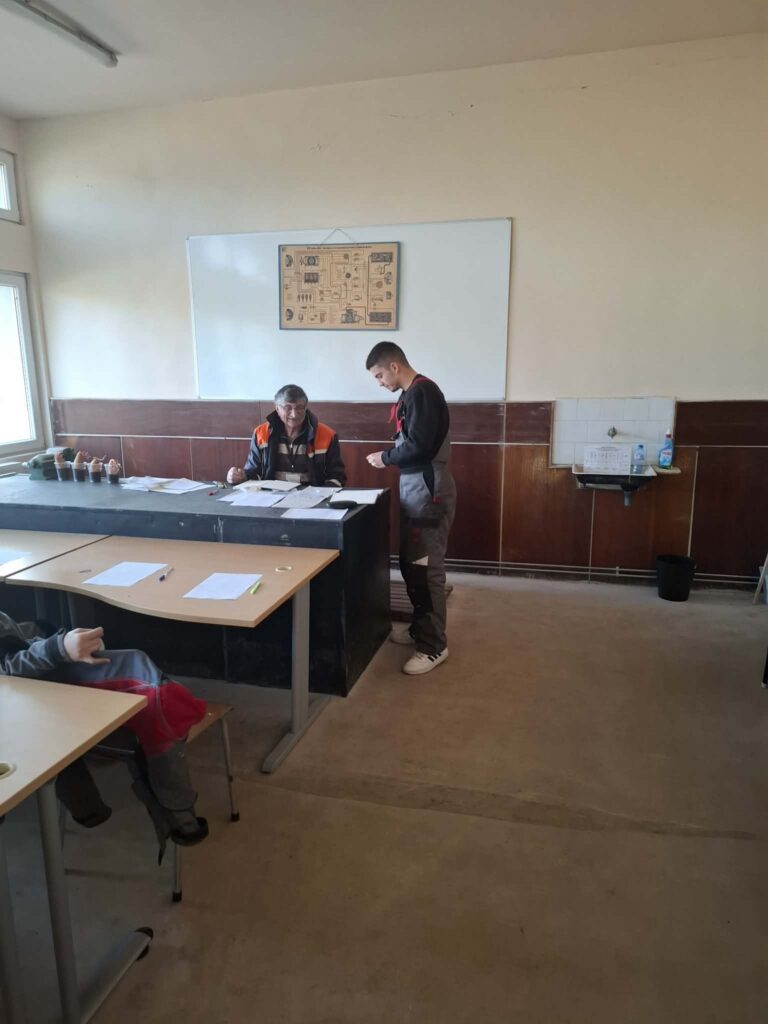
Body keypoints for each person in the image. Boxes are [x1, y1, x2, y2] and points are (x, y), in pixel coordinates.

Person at [0, 611, 208, 860]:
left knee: (154, 688)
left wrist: (62, 642)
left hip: (38, 690)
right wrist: (58, 648)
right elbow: (6, 669)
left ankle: (93, 809)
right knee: (161, 697)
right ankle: (181, 820)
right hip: (32, 705)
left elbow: (14, 643)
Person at [365, 342, 456, 675]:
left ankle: (434, 646)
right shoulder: (409, 395)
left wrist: (385, 457)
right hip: (415, 487)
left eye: (379, 376)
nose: (380, 383)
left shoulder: (423, 392)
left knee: (425, 566)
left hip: (428, 490)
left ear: (394, 366)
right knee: (411, 564)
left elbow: (419, 446)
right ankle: (421, 628)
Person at [227, 384, 346, 487]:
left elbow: (337, 477)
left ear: (306, 407)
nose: (294, 414)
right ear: (277, 409)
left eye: (299, 407)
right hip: (271, 496)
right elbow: (254, 472)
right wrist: (241, 476)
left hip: (313, 497)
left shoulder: (327, 435)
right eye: (288, 408)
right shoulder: (261, 433)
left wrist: (322, 495)